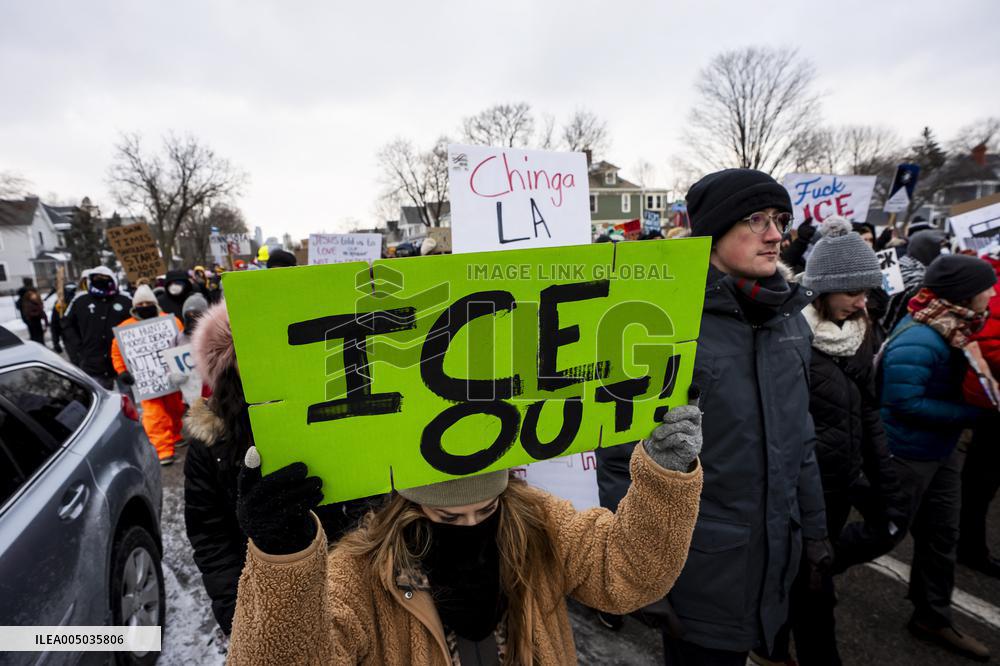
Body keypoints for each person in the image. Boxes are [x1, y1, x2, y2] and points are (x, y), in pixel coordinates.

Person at [225, 399, 702, 665]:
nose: (472, 527)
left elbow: (627, 572)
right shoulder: (360, 573)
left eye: (487, 509)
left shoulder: (540, 523)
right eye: (450, 519)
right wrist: (282, 559)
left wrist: (664, 476)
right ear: (409, 510)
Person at [597, 169, 829, 665]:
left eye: (781, 220)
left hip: (776, 557)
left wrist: (814, 534)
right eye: (756, 219)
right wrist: (640, 570)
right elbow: (621, 458)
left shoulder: (792, 323)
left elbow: (801, 444)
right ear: (714, 233)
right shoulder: (663, 325)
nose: (775, 235)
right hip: (698, 570)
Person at [183, 302, 384, 640]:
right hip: (272, 607)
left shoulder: (336, 415)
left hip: (355, 597)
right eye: (254, 358)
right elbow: (211, 538)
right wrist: (242, 617)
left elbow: (380, 503)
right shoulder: (212, 446)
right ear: (231, 372)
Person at [769, 218, 906, 665]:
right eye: (852, 292)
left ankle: (771, 636)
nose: (861, 302)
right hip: (801, 491)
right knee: (815, 595)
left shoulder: (862, 333)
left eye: (866, 291)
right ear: (824, 289)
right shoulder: (788, 336)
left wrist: (885, 478)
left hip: (843, 482)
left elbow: (868, 410)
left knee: (882, 528)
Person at [880, 253, 997, 661]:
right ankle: (805, 587)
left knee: (942, 536)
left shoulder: (956, 325)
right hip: (908, 454)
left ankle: (932, 615)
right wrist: (974, 414)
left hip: (941, 452)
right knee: (881, 534)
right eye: (986, 287)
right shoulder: (921, 337)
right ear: (965, 293)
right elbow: (903, 402)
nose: (992, 292)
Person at [958, 250, 1000, 579]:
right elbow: (985, 341)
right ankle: (970, 547)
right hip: (990, 405)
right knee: (979, 482)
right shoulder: (990, 282)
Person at [111, 285, 186, 465]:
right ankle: (163, 450)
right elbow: (116, 353)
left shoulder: (172, 322)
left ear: (155, 303)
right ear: (134, 306)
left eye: (148, 302)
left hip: (171, 378)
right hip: (147, 383)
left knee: (176, 409)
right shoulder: (125, 328)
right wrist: (122, 372)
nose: (144, 306)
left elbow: (182, 343)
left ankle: (175, 435)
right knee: (155, 414)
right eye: (141, 303)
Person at [61, 266, 133, 389]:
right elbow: (66, 323)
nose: (100, 280)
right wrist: (78, 346)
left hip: (123, 364)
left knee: (129, 401)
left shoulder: (125, 300)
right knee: (101, 402)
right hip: (93, 363)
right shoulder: (80, 300)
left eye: (104, 278)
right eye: (97, 278)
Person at [881, 230, 949, 336]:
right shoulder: (917, 277)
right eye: (938, 249)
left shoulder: (902, 265)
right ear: (927, 249)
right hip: (896, 331)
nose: (941, 254)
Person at [49, 282, 77, 354]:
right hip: (69, 338)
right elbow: (55, 324)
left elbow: (54, 325)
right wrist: (56, 342)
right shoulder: (59, 305)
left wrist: (56, 342)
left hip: (80, 339)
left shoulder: (80, 301)